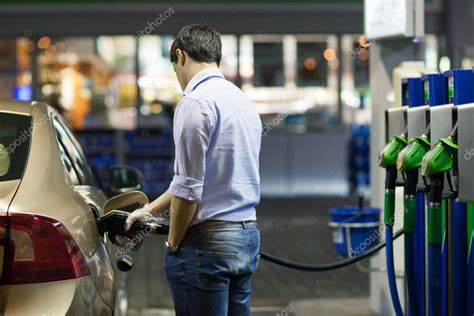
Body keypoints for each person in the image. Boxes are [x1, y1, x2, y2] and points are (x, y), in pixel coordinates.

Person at [121, 24, 262, 316]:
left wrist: (173, 243)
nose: (178, 79)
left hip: (206, 245)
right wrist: (148, 211)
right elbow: (198, 179)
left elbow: (188, 189)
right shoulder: (241, 101)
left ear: (181, 56)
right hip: (246, 237)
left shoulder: (195, 102)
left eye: (174, 69)